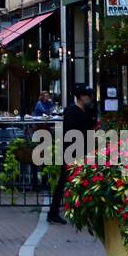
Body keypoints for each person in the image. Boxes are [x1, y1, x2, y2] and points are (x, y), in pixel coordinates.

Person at [47, 85, 96, 225]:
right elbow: (71, 134)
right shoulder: (71, 111)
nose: (90, 98)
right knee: (65, 181)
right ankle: (54, 212)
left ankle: (75, 211)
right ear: (81, 97)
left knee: (79, 182)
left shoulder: (86, 111)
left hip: (83, 151)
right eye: (88, 96)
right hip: (73, 152)